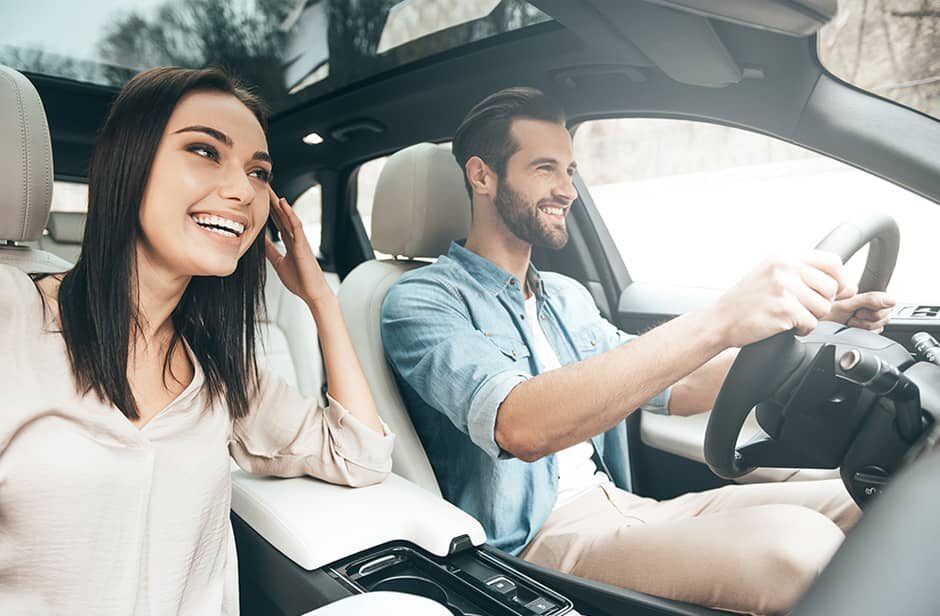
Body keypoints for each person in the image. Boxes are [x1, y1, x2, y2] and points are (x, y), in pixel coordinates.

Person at [380, 87, 895, 615]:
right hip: (534, 544)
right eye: (544, 168)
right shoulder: (420, 302)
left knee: (879, 500)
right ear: (482, 176)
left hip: (627, 508)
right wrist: (721, 318)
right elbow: (520, 426)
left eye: (571, 171)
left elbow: (678, 385)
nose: (567, 190)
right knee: (802, 547)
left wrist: (809, 328)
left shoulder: (565, 296)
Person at [0, 67, 394, 615]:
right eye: (206, 151)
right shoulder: (12, 317)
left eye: (259, 172)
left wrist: (321, 301)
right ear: (128, 164)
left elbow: (361, 454)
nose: (241, 191)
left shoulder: (221, 372)